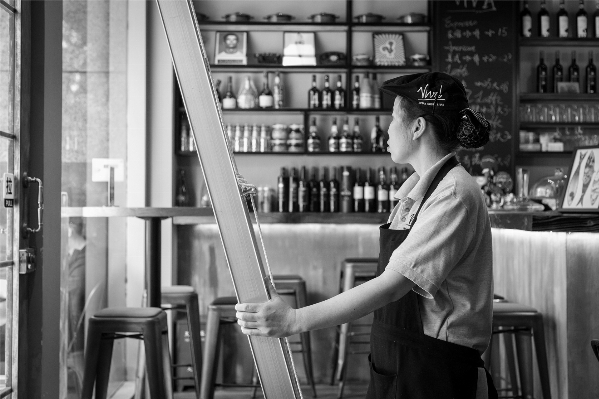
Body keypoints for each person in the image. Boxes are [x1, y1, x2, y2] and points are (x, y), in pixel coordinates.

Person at [235, 72, 497, 399]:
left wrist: (294, 321)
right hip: (405, 359)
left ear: (417, 128)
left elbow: (393, 285)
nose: (386, 130)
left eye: (392, 120)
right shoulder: (419, 190)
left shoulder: (454, 195)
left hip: (436, 369)